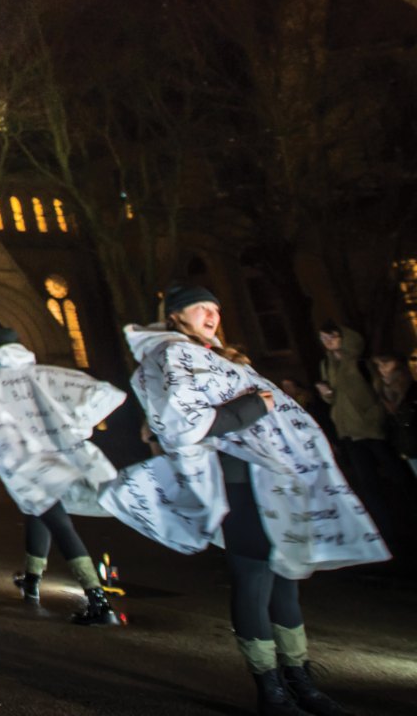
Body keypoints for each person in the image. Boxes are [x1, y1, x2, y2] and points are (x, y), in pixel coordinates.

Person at [103, 286, 387, 715]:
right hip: (235, 481)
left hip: (271, 477)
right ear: (177, 314)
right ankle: (270, 689)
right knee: (254, 575)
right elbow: (185, 426)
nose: (213, 314)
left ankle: (301, 681)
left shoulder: (220, 356)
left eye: (217, 308)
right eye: (202, 307)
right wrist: (255, 405)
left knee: (285, 577)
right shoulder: (171, 355)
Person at [0, 326, 126, 626]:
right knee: (38, 513)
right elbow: (99, 394)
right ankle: (32, 579)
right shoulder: (44, 375)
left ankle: (98, 600)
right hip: (56, 459)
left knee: (57, 521)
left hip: (22, 465)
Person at [316, 325, 398, 523]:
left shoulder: (360, 360)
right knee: (367, 481)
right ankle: (382, 520)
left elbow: (378, 389)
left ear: (343, 337)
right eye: (323, 337)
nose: (327, 341)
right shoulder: (327, 364)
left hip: (371, 426)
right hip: (348, 430)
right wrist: (327, 394)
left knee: (395, 471)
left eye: (331, 336)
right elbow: (334, 398)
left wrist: (375, 415)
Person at [372, 354, 417, 479]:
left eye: (385, 364)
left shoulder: (409, 386)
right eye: (379, 365)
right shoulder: (384, 389)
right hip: (408, 445)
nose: (382, 369)